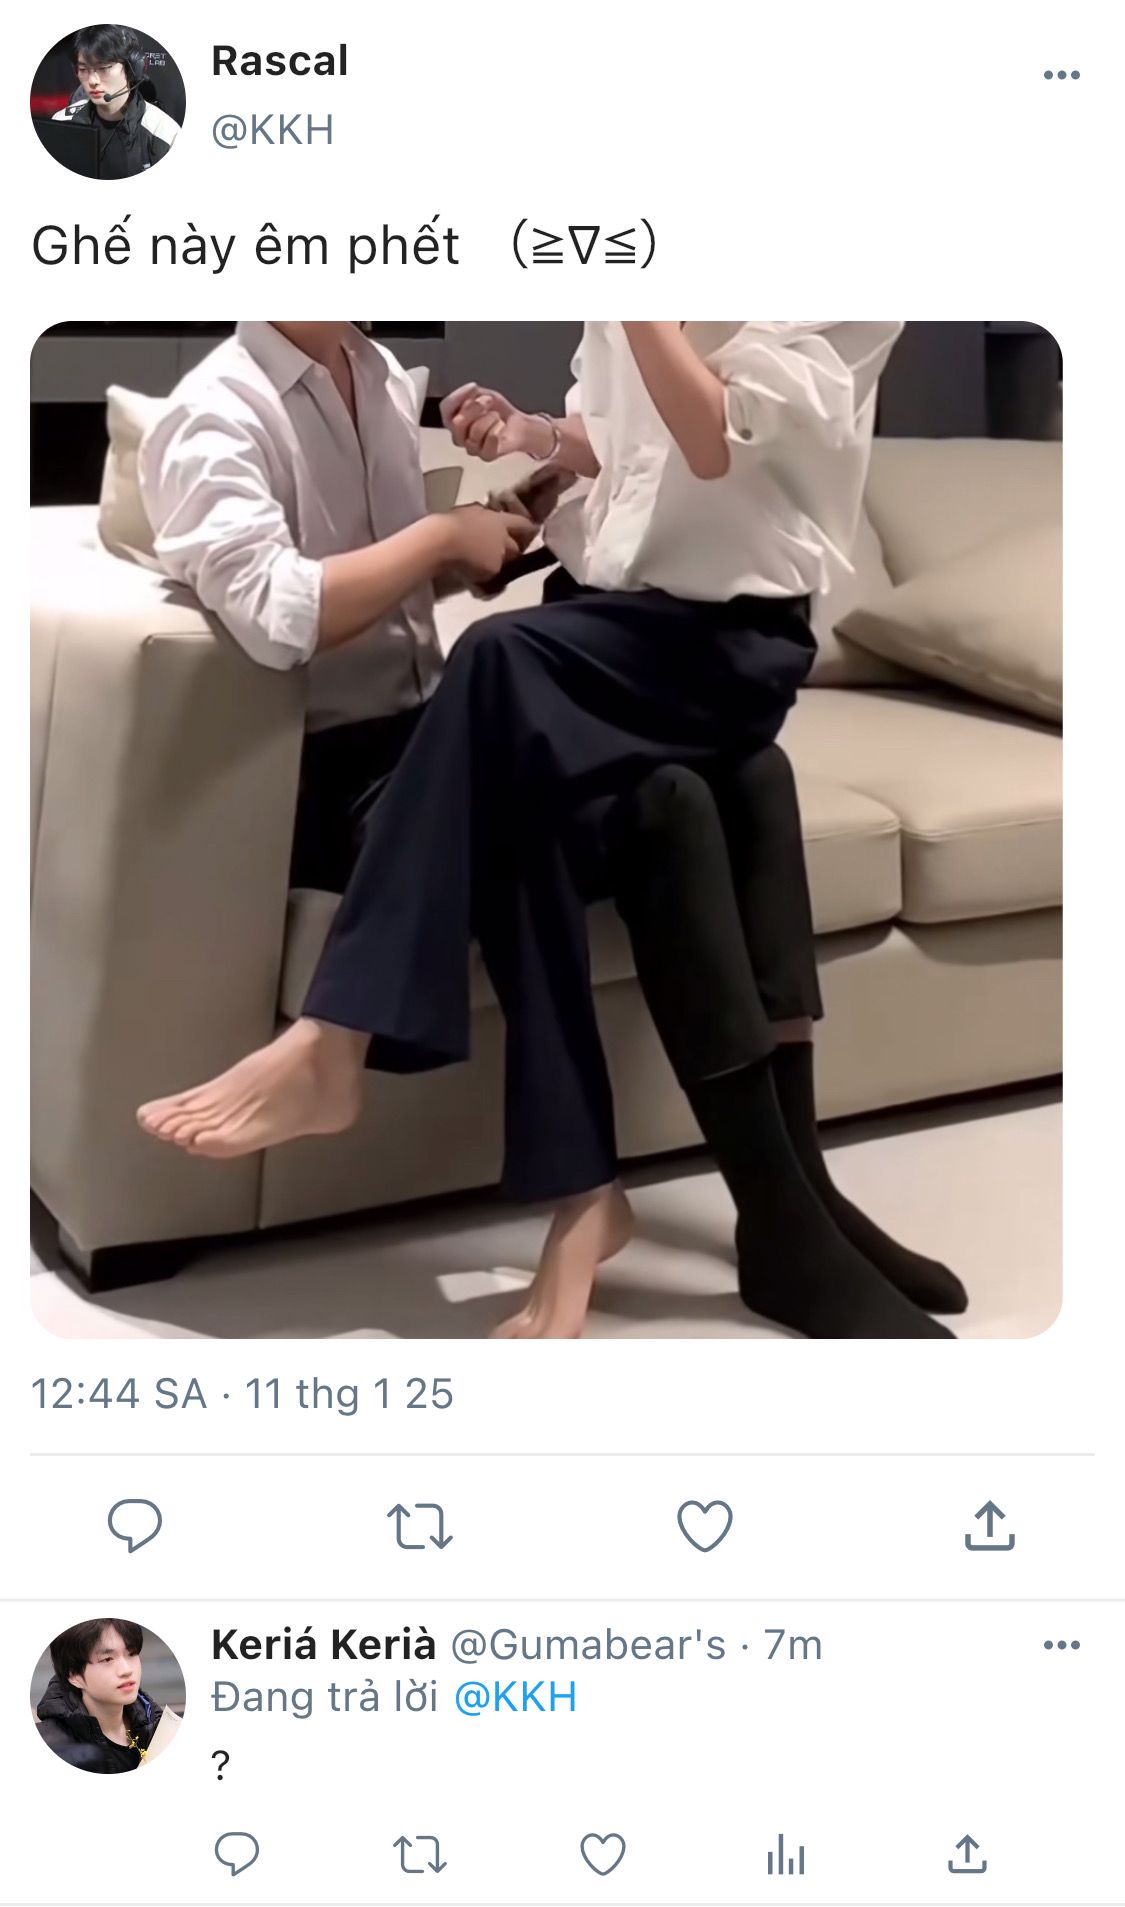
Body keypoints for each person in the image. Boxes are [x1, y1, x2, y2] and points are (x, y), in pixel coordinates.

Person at [137, 320, 956, 1340]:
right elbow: (275, 612)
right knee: (509, 693)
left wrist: (482, 537)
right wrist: (443, 539)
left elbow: (661, 460)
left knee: (699, 790)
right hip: (334, 773)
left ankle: (787, 1207)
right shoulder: (215, 411)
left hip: (444, 725)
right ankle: (398, 1076)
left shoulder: (380, 378)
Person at [52, 24, 180, 176]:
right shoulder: (61, 122)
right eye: (83, 69)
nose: (92, 80)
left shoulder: (164, 134)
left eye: (104, 68)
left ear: (132, 68)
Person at [35, 1620, 162, 1773]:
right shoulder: (53, 1747)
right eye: (107, 1659)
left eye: (132, 1653)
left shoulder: (161, 1727)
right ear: (74, 1675)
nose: (126, 1670)